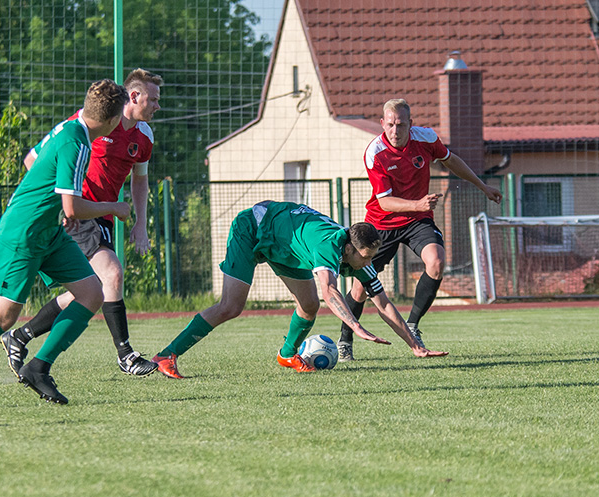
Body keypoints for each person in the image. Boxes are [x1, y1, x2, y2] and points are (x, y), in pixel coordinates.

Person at [0, 79, 130, 408]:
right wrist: (112, 207)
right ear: (115, 121)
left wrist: (60, 207)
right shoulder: (79, 143)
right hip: (23, 234)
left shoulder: (68, 127)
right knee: (2, 318)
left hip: (49, 232)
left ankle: (38, 368)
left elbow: (32, 159)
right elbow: (74, 206)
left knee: (92, 293)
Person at [150, 200, 447, 379]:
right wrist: (355, 326)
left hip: (286, 246)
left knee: (308, 305)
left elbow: (382, 302)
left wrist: (415, 346)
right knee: (231, 306)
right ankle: (166, 355)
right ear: (349, 249)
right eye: (366, 257)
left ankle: (287, 354)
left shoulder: (357, 255)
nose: (369, 263)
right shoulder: (326, 246)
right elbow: (330, 291)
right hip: (253, 229)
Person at [0, 69, 162, 378]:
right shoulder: (89, 122)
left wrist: (140, 224)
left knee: (89, 290)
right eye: (152, 99)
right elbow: (33, 159)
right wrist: (60, 205)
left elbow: (140, 181)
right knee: (112, 275)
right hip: (80, 214)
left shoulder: (144, 135)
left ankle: (20, 337)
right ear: (133, 97)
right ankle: (126, 354)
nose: (157, 106)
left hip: (103, 217)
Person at [337, 98, 502, 361]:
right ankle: (345, 341)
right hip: (382, 223)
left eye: (400, 124)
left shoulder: (425, 139)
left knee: (436, 262)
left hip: (417, 219)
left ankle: (412, 325)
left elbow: (451, 160)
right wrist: (417, 203)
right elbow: (384, 201)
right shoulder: (375, 152)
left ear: (410, 124)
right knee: (359, 288)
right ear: (382, 123)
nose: (395, 130)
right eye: (390, 124)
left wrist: (483, 186)